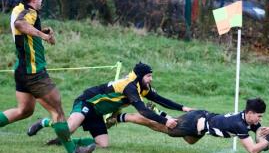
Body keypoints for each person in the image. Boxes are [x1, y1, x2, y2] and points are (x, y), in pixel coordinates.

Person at [0, 0, 95, 153]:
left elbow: (20, 29)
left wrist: (40, 30)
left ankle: (60, 137)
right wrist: (44, 36)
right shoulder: (29, 12)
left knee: (24, 110)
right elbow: (20, 25)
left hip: (21, 70)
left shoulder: (18, 9)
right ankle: (73, 150)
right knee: (57, 111)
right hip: (34, 73)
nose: (42, 0)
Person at [27, 62, 194, 147]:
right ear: (141, 76)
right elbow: (142, 111)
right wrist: (165, 121)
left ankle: (64, 141)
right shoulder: (130, 87)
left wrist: (183, 108)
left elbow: (160, 99)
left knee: (103, 145)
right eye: (149, 76)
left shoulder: (142, 86)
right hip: (87, 102)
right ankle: (44, 122)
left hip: (97, 113)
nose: (151, 79)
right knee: (69, 128)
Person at [107, 98, 269, 153]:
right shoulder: (239, 125)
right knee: (158, 126)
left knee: (190, 141)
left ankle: (161, 114)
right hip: (195, 122)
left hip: (200, 122)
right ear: (250, 113)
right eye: (259, 116)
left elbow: (259, 136)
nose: (259, 119)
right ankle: (122, 116)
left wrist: (264, 132)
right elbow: (253, 151)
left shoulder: (249, 120)